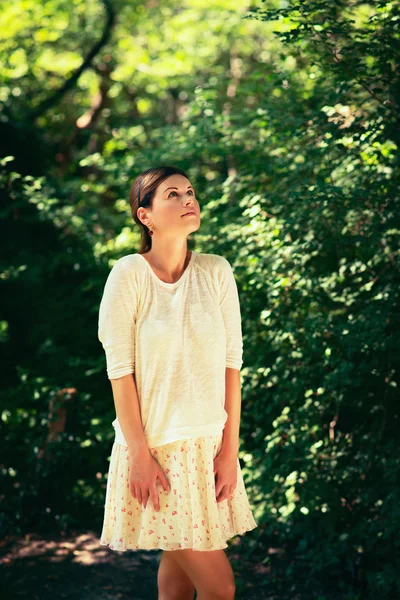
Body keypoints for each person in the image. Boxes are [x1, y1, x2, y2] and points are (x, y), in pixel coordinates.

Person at [98, 165, 258, 599]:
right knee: (221, 588)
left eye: (190, 192)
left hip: (207, 450)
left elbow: (232, 365)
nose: (189, 199)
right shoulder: (128, 275)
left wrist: (230, 450)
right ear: (144, 215)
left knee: (178, 581)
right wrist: (139, 455)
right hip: (157, 452)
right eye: (173, 194)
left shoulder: (216, 271)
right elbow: (120, 373)